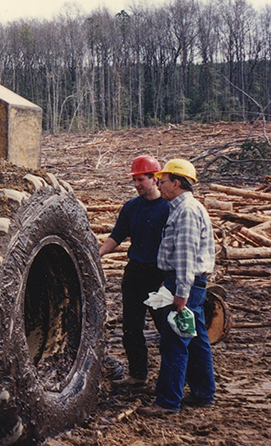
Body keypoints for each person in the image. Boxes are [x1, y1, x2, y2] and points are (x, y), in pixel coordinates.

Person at [140, 158, 216, 415]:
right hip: (186, 282)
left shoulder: (186, 211)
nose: (159, 185)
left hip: (186, 283)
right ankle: (204, 393)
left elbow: (185, 257)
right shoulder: (183, 208)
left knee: (174, 342)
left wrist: (180, 293)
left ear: (176, 182)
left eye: (162, 181)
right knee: (196, 340)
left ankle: (167, 402)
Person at [99, 155, 169, 386]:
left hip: (159, 276)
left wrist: (170, 279)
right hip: (135, 274)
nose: (137, 185)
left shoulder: (168, 207)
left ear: (155, 179)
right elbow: (117, 236)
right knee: (131, 327)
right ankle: (138, 375)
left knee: (166, 328)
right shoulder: (131, 207)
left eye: (141, 180)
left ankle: (173, 379)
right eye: (135, 181)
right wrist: (97, 254)